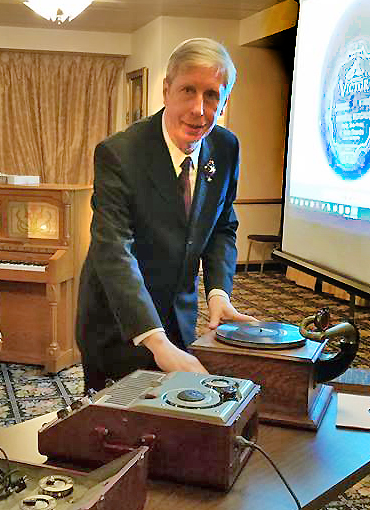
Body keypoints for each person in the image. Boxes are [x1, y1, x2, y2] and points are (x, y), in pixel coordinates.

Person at [76, 37, 256, 393]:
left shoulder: (226, 146)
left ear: (224, 101)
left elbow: (222, 226)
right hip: (118, 324)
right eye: (188, 90)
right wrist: (156, 342)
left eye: (212, 96)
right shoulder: (119, 153)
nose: (199, 109)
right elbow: (113, 250)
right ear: (166, 90)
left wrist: (219, 293)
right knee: (114, 430)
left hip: (180, 318)